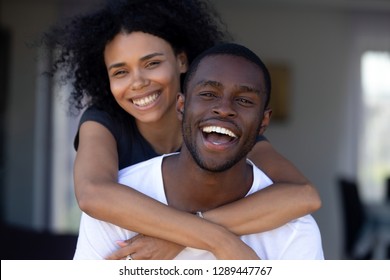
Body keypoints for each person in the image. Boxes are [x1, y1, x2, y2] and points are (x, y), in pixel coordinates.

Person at [43, 0, 321, 260]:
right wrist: (219, 240)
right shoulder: (105, 121)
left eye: (152, 63)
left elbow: (303, 195)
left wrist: (180, 238)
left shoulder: (222, 129)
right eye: (120, 72)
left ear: (182, 61)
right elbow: (93, 194)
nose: (138, 82)